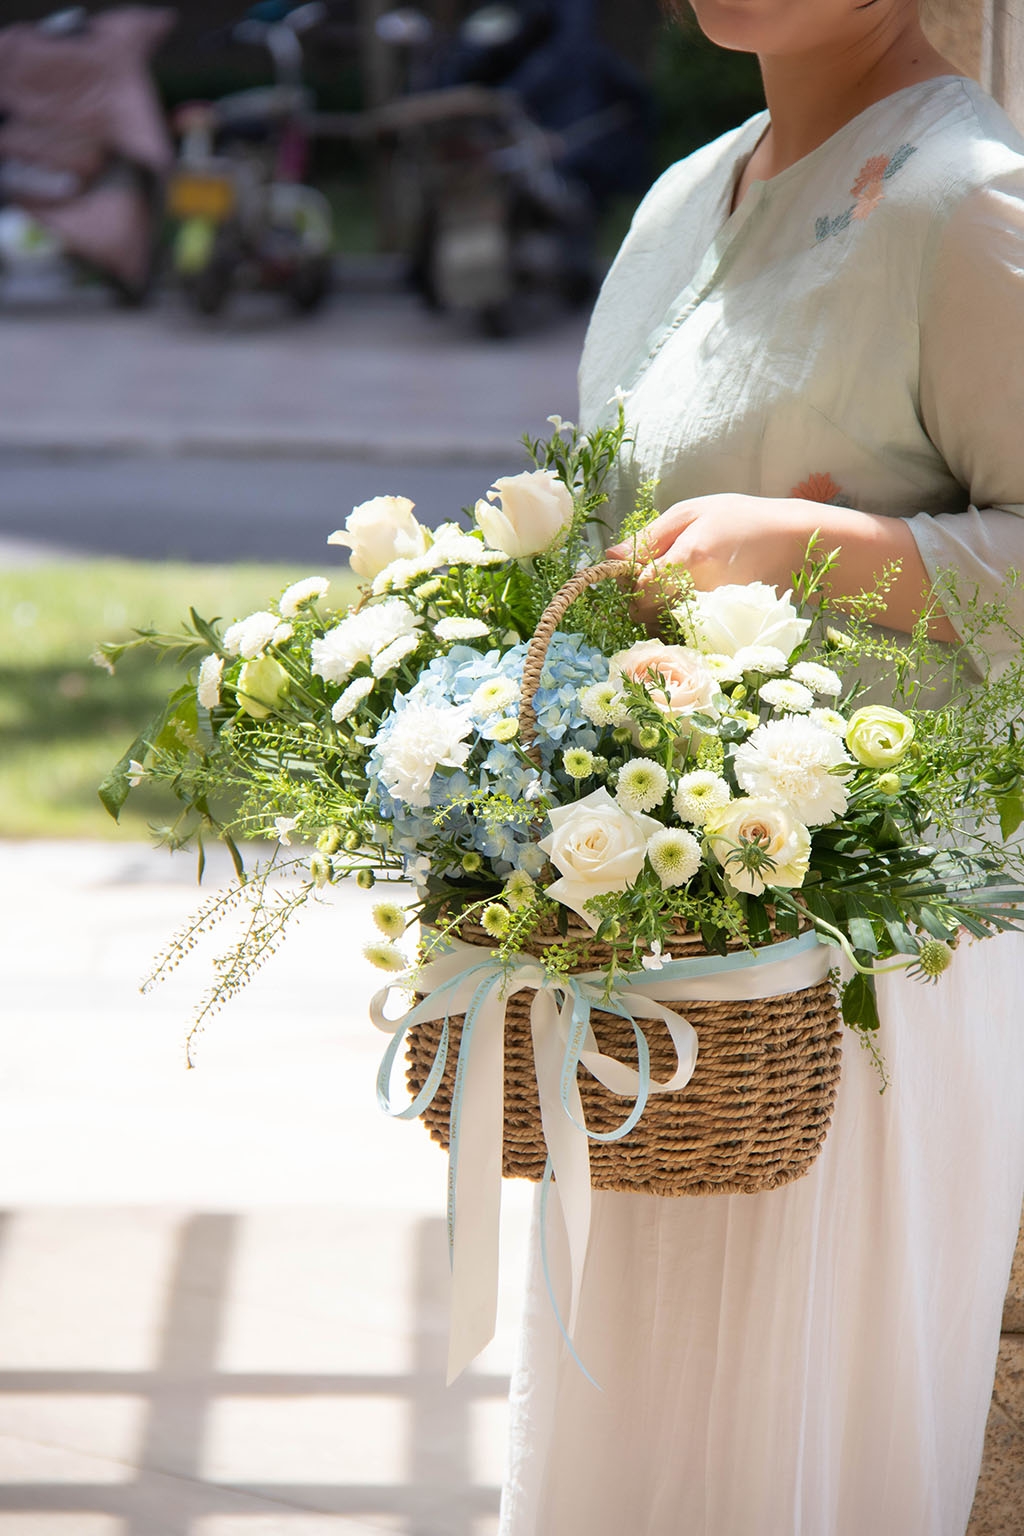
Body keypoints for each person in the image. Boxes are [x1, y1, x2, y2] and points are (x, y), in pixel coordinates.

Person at [497, 3, 1024, 1533]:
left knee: (788, 1450)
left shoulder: (966, 202)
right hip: (670, 960)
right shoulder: (688, 192)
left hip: (872, 973)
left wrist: (812, 547)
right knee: (636, 1439)